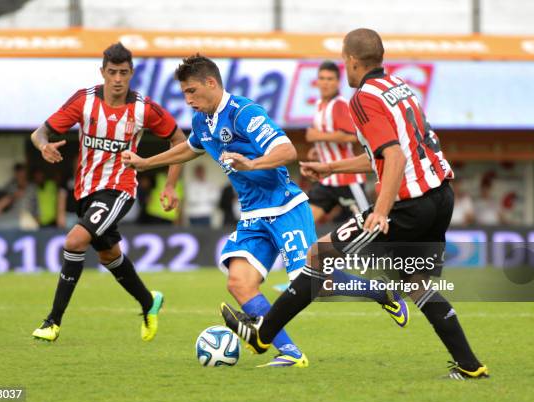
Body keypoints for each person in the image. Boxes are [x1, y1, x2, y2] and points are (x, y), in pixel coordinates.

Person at [221, 29, 488, 380]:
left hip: (407, 204)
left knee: (319, 255)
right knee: (417, 282)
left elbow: (392, 157)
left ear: (351, 60)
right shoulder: (401, 88)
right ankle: (470, 366)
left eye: (343, 59)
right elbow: (390, 153)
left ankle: (262, 335)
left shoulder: (362, 99)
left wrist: (380, 211)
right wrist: (331, 167)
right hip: (441, 197)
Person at [123, 54, 407, 367]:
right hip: (253, 215)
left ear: (211, 83)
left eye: (191, 91)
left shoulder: (244, 112)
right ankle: (290, 353)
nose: (187, 99)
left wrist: (253, 163)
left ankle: (384, 293)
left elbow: (286, 150)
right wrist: (146, 162)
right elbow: (191, 148)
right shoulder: (202, 121)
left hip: (286, 207)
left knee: (314, 282)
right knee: (239, 284)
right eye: (184, 93)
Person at [30, 42, 186, 343]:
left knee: (75, 240)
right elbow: (40, 132)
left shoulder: (144, 108)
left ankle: (52, 321)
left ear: (132, 74)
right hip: (86, 190)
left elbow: (179, 141)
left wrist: (169, 184)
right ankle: (148, 302)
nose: (117, 79)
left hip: (120, 188)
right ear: (102, 72)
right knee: (109, 255)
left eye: (123, 73)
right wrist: (43, 146)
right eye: (112, 72)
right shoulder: (84, 101)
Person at [305, 61, 370, 223]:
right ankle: (300, 249)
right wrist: (317, 149)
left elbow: (351, 136)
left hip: (347, 178)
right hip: (326, 179)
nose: (325, 83)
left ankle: (387, 248)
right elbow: (327, 133)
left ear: (337, 82)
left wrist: (316, 137)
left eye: (330, 79)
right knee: (304, 223)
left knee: (368, 225)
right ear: (317, 81)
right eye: (322, 78)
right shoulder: (319, 104)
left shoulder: (339, 104)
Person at [0, 163, 39, 230]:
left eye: (22, 171)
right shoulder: (10, 186)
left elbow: (36, 203)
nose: (20, 174)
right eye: (18, 172)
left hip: (29, 217)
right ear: (15, 173)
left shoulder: (32, 187)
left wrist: (37, 217)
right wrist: (13, 196)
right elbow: (0, 202)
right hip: (13, 217)